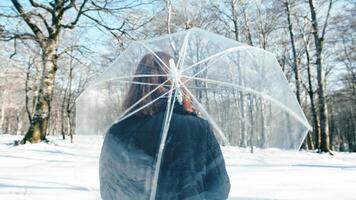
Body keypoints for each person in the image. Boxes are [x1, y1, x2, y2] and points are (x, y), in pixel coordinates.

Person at [99, 52, 230, 200]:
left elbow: (109, 188)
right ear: (175, 82)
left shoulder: (116, 131)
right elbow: (220, 188)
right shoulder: (197, 128)